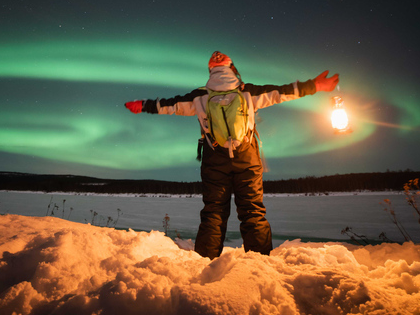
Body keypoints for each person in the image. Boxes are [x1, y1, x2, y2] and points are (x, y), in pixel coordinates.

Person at [124, 51, 339, 259]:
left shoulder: (199, 97)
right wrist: (316, 85)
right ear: (232, 68)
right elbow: (282, 92)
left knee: (213, 213)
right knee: (253, 212)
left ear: (211, 71)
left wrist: (143, 105)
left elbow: (169, 106)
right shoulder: (248, 91)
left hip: (214, 160)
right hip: (247, 158)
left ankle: (206, 265)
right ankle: (260, 264)